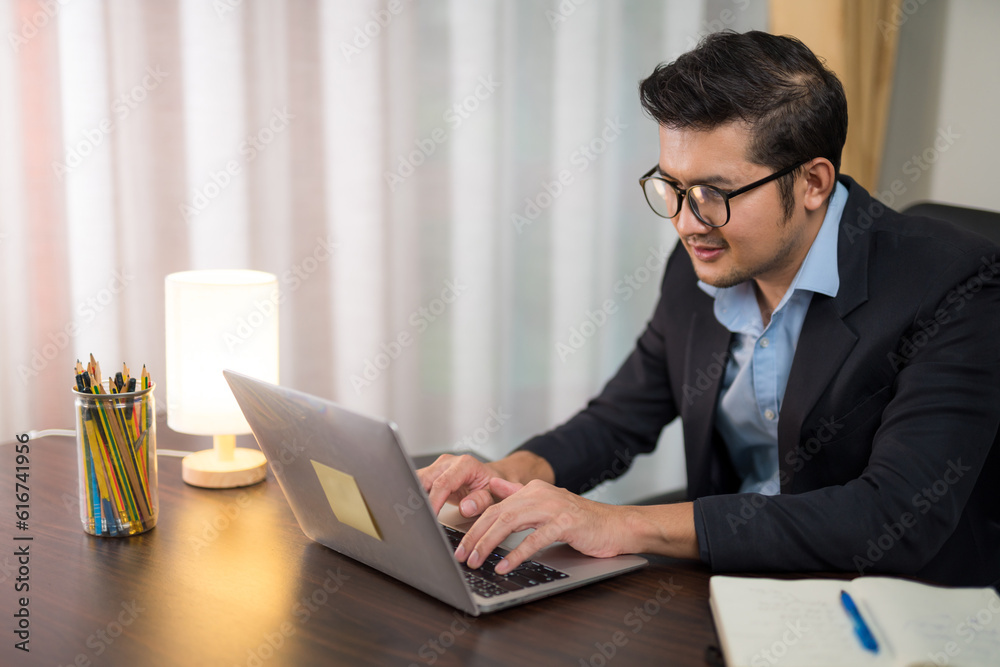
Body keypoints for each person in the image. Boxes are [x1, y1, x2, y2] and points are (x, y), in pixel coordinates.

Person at [418, 30, 1000, 587]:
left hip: (881, 601)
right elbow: (619, 419)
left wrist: (621, 522)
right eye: (671, 186)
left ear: (813, 184)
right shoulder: (701, 259)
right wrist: (510, 474)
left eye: (714, 194)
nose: (686, 222)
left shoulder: (956, 284)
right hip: (728, 579)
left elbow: (896, 516)